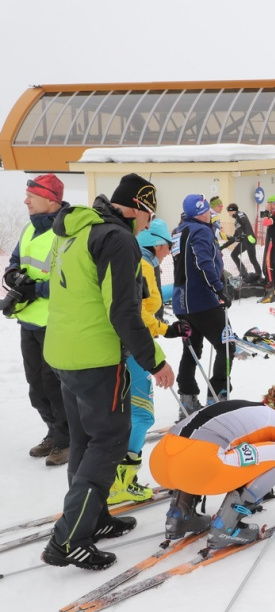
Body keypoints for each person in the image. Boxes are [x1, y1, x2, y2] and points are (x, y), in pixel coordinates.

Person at [41, 173, 175, 571]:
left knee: (85, 439)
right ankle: (69, 539)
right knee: (110, 440)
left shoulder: (77, 230)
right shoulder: (118, 240)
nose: (149, 224)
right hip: (97, 357)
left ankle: (92, 518)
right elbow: (123, 311)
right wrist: (155, 360)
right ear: (136, 208)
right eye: (149, 215)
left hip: (63, 351)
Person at [149, 386, 275, 548]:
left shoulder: (242, 408)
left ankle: (179, 516)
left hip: (160, 461)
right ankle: (226, 527)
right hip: (200, 464)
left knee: (209, 450)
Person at [110, 219, 191, 504]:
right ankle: (122, 482)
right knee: (141, 415)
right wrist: (163, 330)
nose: (169, 251)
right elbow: (136, 314)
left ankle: (114, 479)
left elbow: (146, 309)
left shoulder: (145, 263)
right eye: (168, 246)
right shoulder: (143, 265)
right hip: (133, 350)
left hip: (127, 346)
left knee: (126, 415)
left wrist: (166, 328)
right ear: (157, 244)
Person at [3, 174, 70, 466]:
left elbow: (71, 279)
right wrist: (13, 276)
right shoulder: (29, 230)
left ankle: (66, 440)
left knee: (54, 385)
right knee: (36, 386)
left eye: (32, 195)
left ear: (50, 199)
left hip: (54, 322)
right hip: (29, 320)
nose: (25, 200)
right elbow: (16, 261)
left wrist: (36, 289)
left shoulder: (66, 232)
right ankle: (54, 433)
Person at [172, 194, 235, 412]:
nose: (210, 214)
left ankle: (187, 398)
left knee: (192, 350)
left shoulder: (178, 230)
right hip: (201, 300)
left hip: (182, 301)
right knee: (227, 345)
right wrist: (219, 289)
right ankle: (219, 395)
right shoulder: (201, 231)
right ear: (202, 212)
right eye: (208, 210)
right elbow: (203, 262)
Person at [220, 202, 262, 282]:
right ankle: (243, 273)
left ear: (232, 210)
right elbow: (235, 237)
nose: (229, 214)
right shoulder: (236, 222)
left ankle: (259, 275)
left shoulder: (240, 214)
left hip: (250, 240)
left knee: (252, 259)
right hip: (244, 242)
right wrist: (223, 246)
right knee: (234, 254)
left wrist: (249, 235)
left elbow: (246, 223)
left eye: (229, 212)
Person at [260, 195, 275, 302]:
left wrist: (266, 211)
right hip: (270, 244)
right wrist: (267, 212)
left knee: (272, 266)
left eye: (274, 204)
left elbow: (265, 222)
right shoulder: (272, 214)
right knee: (269, 266)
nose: (272, 206)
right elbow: (264, 220)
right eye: (270, 204)